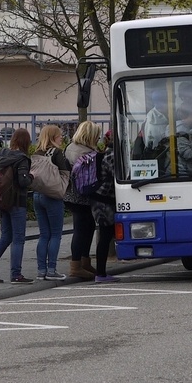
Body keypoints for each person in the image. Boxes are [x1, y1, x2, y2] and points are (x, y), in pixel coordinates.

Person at [0, 128, 35, 284]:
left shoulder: (0, 156)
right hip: (17, 201)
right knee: (18, 238)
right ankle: (16, 274)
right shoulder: (22, 159)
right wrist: (32, 176)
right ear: (26, 142)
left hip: (2, 200)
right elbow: (23, 181)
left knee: (5, 237)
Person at [64, 120, 102, 280]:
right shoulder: (89, 153)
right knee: (82, 229)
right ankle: (77, 265)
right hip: (85, 195)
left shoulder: (69, 148)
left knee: (84, 226)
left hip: (71, 194)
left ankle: (83, 262)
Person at [33, 124, 71, 281]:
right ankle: (51, 269)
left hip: (37, 195)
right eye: (59, 135)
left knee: (44, 235)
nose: (61, 137)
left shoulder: (36, 152)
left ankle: (41, 270)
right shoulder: (57, 153)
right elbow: (65, 172)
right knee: (56, 234)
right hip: (53, 196)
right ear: (53, 137)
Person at [91, 145, 119, 283]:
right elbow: (118, 176)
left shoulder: (106, 154)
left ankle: (101, 272)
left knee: (106, 235)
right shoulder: (112, 156)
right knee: (105, 236)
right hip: (104, 201)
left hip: (99, 200)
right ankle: (100, 273)